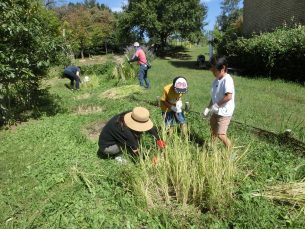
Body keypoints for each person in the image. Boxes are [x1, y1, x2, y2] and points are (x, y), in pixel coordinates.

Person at [97, 107, 165, 159]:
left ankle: (125, 146)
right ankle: (119, 155)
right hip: (108, 147)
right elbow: (136, 150)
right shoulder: (125, 131)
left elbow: (150, 128)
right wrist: (149, 158)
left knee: (136, 137)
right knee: (132, 144)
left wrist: (159, 139)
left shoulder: (133, 115)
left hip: (117, 137)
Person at [202, 56, 235, 149]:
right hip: (215, 111)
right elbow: (214, 97)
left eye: (214, 70)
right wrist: (208, 108)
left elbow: (228, 96)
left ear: (223, 68)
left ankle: (231, 153)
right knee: (213, 130)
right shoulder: (216, 80)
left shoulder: (227, 80)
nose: (212, 71)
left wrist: (216, 105)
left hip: (224, 112)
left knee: (221, 134)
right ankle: (212, 147)